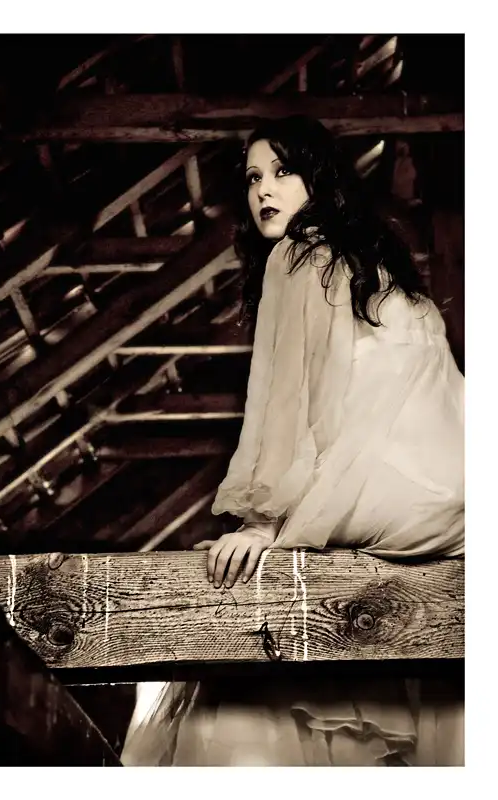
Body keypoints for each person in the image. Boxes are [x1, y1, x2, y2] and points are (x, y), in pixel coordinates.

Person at [122, 116, 464, 767]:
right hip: (456, 496)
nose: (263, 190)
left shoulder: (299, 256)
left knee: (226, 622)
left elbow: (290, 406)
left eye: (283, 171)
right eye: (253, 177)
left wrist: (264, 521)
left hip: (389, 487)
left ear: (319, 180)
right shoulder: (373, 267)